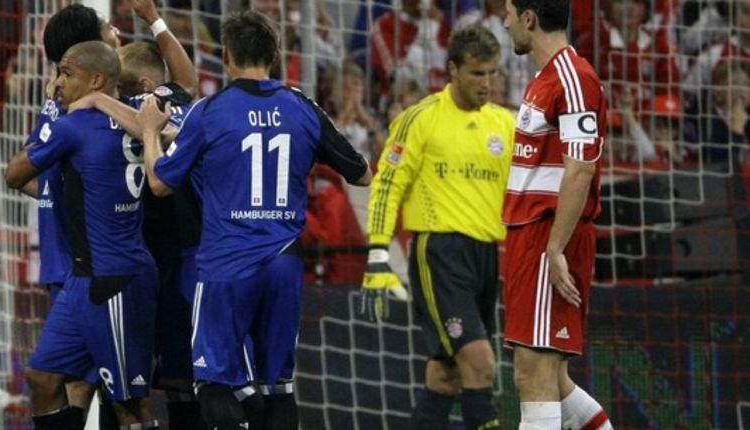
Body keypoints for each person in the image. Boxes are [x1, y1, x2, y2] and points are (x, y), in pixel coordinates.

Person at [136, 10, 371, 430]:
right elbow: (363, 174)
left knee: (214, 383)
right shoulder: (302, 107)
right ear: (276, 56)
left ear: (226, 55)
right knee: (278, 387)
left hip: (227, 264)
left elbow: (159, 183)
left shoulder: (210, 112)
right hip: (284, 264)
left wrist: (151, 132)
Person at [358, 25, 515, 430]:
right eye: (477, 73)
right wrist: (378, 251)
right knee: (480, 363)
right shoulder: (421, 119)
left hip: (485, 256)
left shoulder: (505, 124)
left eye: (492, 73)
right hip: (440, 254)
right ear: (453, 70)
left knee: (446, 375)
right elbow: (387, 185)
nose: (487, 83)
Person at [5, 41, 159, 430]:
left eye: (66, 73)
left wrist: (52, 114)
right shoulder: (141, 117)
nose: (57, 83)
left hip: (115, 279)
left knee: (131, 406)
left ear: (95, 80)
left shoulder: (71, 127)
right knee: (43, 377)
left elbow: (14, 174)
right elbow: (172, 129)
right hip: (82, 278)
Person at [502, 1, 614, 429]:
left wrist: (554, 247)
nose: (505, 22)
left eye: (509, 12)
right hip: (531, 235)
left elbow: (581, 168)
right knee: (553, 379)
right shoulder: (544, 79)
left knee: (533, 375)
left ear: (529, 18)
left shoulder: (574, 78)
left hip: (549, 235)